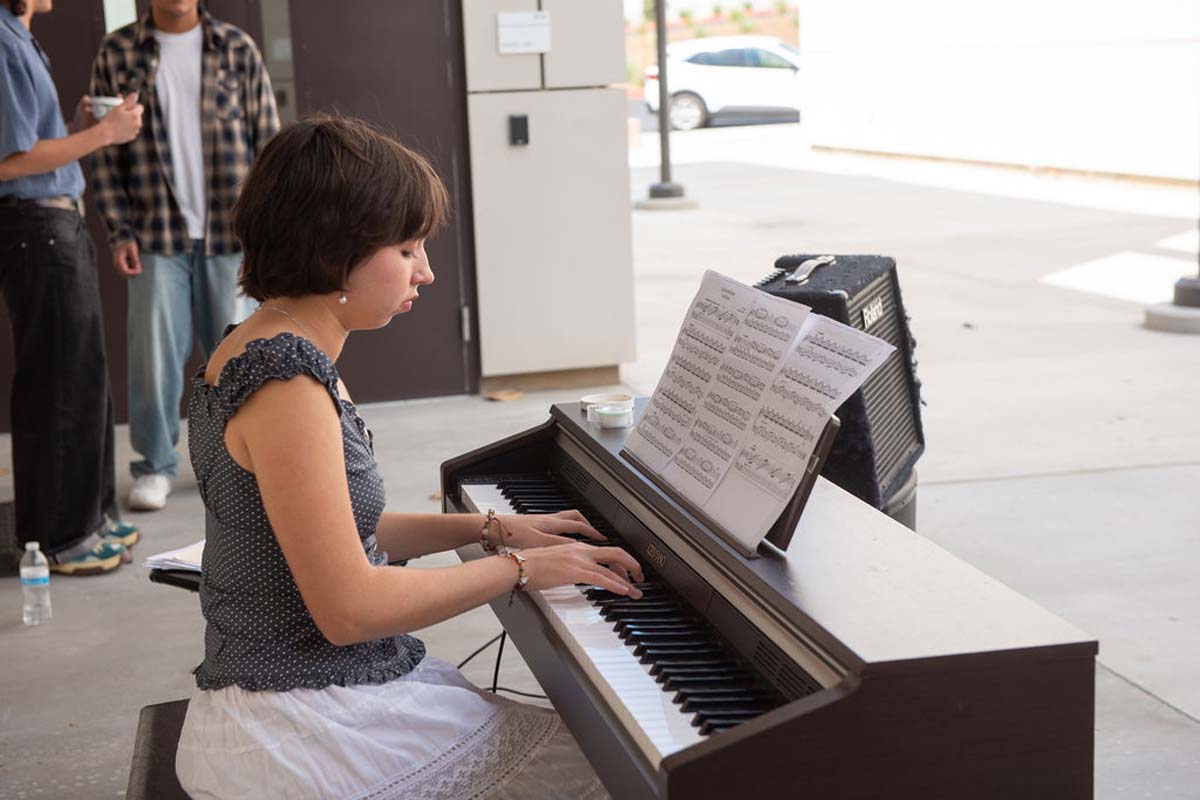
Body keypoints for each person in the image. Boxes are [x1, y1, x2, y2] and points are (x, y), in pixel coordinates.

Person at [175, 114, 642, 798]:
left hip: (301, 695)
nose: (424, 270)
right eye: (407, 248)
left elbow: (330, 529)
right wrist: (521, 568)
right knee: (612, 774)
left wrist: (487, 529)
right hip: (302, 724)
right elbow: (350, 608)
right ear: (336, 250)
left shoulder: (267, 344)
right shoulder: (286, 382)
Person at [89, 0, 279, 512]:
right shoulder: (119, 50)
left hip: (231, 232)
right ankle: (154, 465)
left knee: (239, 357)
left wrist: (266, 229)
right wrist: (118, 229)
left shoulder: (236, 48)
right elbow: (107, 152)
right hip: (155, 233)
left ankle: (244, 462)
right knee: (153, 358)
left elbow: (269, 145)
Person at [0, 0, 143, 575]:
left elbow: (32, 148)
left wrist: (81, 131)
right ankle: (61, 538)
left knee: (81, 380)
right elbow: (10, 161)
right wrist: (104, 133)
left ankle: (90, 518)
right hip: (36, 226)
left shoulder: (20, 36)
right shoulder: (6, 42)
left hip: (54, 221)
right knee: (59, 384)